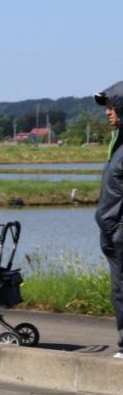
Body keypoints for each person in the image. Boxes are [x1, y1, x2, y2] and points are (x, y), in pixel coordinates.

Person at [93, 82, 123, 359]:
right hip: (114, 233)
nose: (107, 113)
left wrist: (116, 229)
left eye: (112, 107)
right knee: (119, 290)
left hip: (119, 232)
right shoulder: (119, 143)